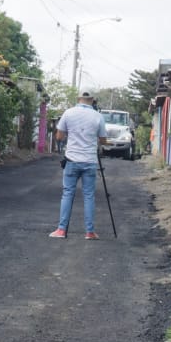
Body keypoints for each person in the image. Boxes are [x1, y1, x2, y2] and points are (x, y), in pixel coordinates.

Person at [50, 91, 108, 239]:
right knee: (89, 196)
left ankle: (61, 230)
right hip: (89, 161)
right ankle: (90, 232)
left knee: (68, 193)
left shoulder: (68, 113)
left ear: (78, 98)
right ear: (92, 100)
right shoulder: (98, 116)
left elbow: (59, 136)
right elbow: (103, 140)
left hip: (72, 159)